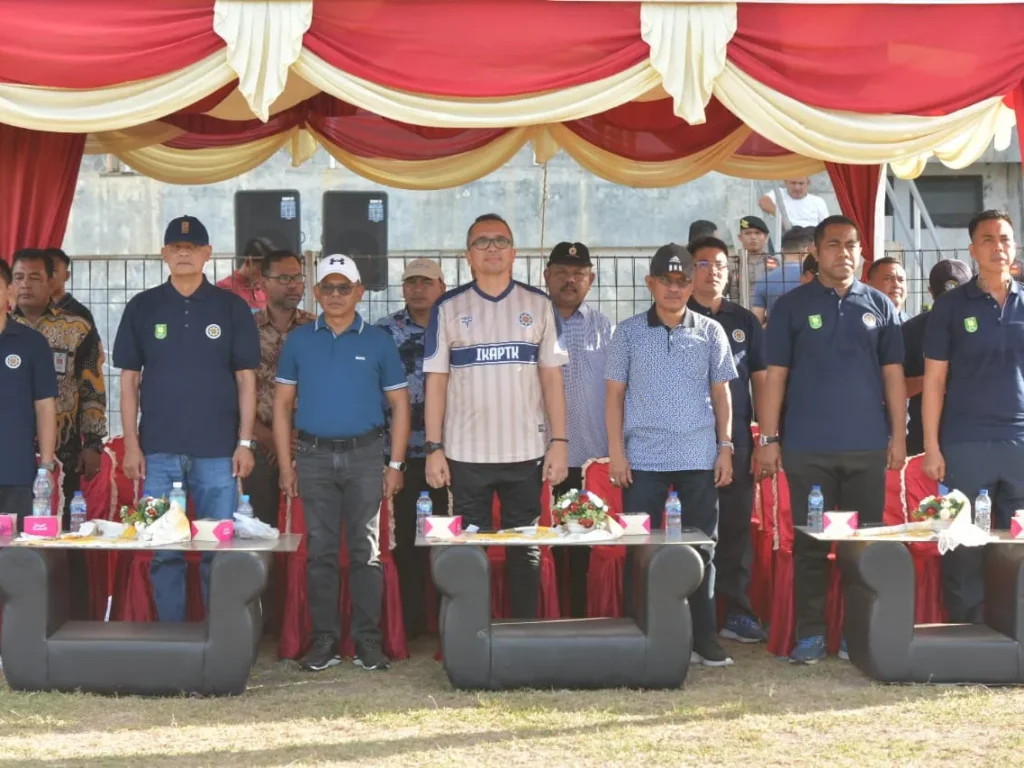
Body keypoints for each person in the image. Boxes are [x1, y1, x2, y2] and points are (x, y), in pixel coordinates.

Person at [759, 215, 906, 664]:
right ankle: (811, 636)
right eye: (835, 244)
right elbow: (775, 376)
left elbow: (894, 376)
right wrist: (768, 438)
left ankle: (856, 635)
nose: (845, 252)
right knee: (811, 547)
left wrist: (898, 437)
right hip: (808, 449)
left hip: (866, 449)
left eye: (852, 245)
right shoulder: (791, 306)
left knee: (863, 547)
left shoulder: (880, 305)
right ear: (817, 253)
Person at [113, 215, 260, 623]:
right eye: (176, 248)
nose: (184, 253)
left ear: (208, 254)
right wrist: (132, 443)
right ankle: (171, 637)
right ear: (163, 254)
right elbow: (128, 381)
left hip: (218, 453)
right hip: (158, 451)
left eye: (192, 247)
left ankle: (219, 637)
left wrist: (244, 443)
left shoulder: (231, 307)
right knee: (165, 552)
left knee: (218, 551)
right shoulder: (143, 306)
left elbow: (247, 379)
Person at [424, 213, 569, 620]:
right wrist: (434, 448)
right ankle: (472, 635)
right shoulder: (449, 308)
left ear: (514, 252)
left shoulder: (538, 305)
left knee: (525, 550)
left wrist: (560, 441)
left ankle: (523, 636)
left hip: (525, 452)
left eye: (500, 241)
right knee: (469, 553)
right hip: (466, 454)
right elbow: (435, 382)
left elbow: (552, 380)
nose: (492, 248)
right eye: (482, 242)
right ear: (468, 255)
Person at [275, 254, 410, 672]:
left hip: (366, 455)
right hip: (313, 457)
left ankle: (368, 641)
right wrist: (285, 465)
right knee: (321, 553)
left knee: (366, 552)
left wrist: (397, 465)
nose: (335, 295)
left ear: (359, 292)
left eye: (344, 287)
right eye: (328, 288)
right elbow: (282, 406)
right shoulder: (299, 340)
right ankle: (325, 642)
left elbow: (400, 405)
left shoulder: (378, 341)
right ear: (316, 292)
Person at [606, 243, 738, 667]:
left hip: (699, 455)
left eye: (683, 281)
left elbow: (722, 395)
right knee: (639, 548)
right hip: (642, 458)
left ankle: (704, 639)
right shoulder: (625, 332)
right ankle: (639, 633)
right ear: (651, 283)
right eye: (666, 280)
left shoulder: (710, 331)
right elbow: (614, 397)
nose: (675, 289)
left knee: (702, 549)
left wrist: (725, 448)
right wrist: (616, 453)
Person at [922, 210, 1024, 623]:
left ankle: (1012, 628)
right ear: (972, 249)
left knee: (1016, 544)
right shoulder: (950, 306)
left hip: (1019, 443)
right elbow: (933, 381)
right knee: (962, 541)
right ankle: (965, 629)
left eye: (1004, 238)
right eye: (988, 239)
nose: (997, 247)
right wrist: (931, 445)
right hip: (963, 443)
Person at [687, 236, 767, 644]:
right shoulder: (674, 315)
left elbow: (762, 380)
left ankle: (737, 612)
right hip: (687, 445)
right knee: (693, 530)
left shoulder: (743, 321)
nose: (713, 271)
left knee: (736, 527)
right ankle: (691, 614)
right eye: (703, 263)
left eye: (720, 264)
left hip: (735, 442)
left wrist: (766, 438)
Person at [377, 257, 449, 640]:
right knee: (404, 541)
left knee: (447, 540)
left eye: (426, 281)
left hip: (449, 456)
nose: (417, 288)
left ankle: (446, 622)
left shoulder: (456, 324)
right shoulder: (384, 332)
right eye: (410, 282)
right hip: (399, 456)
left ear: (442, 284)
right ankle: (411, 624)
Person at [543, 241, 613, 617]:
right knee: (547, 543)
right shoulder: (533, 321)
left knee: (586, 542)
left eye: (579, 274)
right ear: (545, 276)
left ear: (591, 279)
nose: (570, 280)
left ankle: (584, 617)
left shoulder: (606, 328)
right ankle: (549, 617)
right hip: (543, 459)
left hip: (591, 460)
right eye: (561, 273)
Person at [12, 250, 106, 510]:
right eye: (18, 277)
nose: (25, 284)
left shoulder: (77, 327)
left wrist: (94, 443)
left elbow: (92, 386)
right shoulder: (4, 327)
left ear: (51, 281)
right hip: (10, 444)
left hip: (65, 447)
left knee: (62, 525)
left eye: (34, 277)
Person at [245, 249, 315, 528]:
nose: (294, 285)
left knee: (308, 529)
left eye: (298, 277)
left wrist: (295, 438)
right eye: (284, 278)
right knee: (259, 528)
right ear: (263, 283)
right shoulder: (246, 330)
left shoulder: (316, 329)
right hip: (260, 442)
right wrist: (268, 437)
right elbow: (234, 391)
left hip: (307, 442)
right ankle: (264, 572)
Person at [0, 257, 58, 522]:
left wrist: (45, 465)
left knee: (15, 558)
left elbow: (45, 406)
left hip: (17, 472)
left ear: (9, 290)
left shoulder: (32, 344)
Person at [901, 259, 972, 457]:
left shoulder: (987, 325)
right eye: (945, 299)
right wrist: (933, 380)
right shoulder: (911, 330)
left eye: (957, 298)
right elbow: (893, 388)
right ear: (931, 292)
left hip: (974, 438)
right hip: (922, 442)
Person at [751, 227, 816, 324]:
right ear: (806, 250)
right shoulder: (815, 278)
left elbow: (757, 322)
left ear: (782, 251)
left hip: (777, 334)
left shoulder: (764, 280)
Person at [730, 216, 778, 306]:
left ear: (766, 237)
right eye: (748, 233)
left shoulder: (775, 263)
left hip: (767, 314)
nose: (753, 237)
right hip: (738, 314)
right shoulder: (732, 264)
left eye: (757, 233)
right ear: (740, 237)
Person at [217, 236, 272, 311]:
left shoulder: (263, 288)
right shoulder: (225, 287)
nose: (263, 275)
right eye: (260, 269)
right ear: (248, 262)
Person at [45, 248, 95, 328]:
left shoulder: (79, 313)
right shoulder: (32, 309)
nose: (47, 276)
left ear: (67, 276)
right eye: (43, 272)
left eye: (53, 271)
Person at [759, 178, 830, 228]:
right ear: (786, 182)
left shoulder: (818, 201)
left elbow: (826, 225)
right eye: (793, 183)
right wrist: (782, 219)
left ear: (808, 183)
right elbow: (763, 201)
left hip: (810, 238)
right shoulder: (779, 193)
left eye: (801, 183)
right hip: (786, 237)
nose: (797, 187)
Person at [867, 256, 909, 321]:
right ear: (870, 286)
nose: (896, 285)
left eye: (901, 280)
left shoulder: (916, 327)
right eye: (888, 278)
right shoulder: (857, 323)